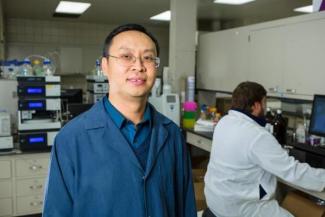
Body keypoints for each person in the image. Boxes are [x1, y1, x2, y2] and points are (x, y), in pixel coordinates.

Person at [43, 24, 197, 217]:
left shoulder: (171, 134)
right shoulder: (72, 139)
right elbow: (56, 212)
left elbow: (185, 207)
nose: (138, 66)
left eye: (148, 58)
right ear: (105, 66)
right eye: (126, 56)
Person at [203, 81, 325, 217]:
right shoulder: (256, 135)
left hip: (216, 202)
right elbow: (292, 171)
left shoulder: (224, 122)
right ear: (256, 106)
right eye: (264, 103)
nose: (265, 108)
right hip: (240, 209)